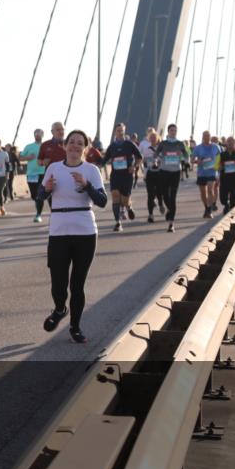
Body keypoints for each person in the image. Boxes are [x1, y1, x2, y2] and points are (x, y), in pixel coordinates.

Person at [37, 129, 108, 344]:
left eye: (80, 143)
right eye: (72, 142)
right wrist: (46, 190)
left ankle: (75, 327)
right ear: (65, 146)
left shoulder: (91, 170)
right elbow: (40, 196)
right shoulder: (54, 168)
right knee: (58, 283)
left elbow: (102, 201)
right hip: (59, 231)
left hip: (85, 231)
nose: (75, 146)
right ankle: (60, 308)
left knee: (77, 284)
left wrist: (87, 186)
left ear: (85, 148)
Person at [102, 122, 142, 231]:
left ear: (124, 131)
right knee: (115, 196)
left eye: (122, 130)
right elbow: (104, 160)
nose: (120, 132)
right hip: (115, 175)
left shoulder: (129, 144)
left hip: (127, 176)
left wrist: (134, 166)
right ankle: (118, 223)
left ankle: (129, 207)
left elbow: (139, 157)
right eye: (118, 130)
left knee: (124, 200)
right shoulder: (112, 146)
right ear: (115, 132)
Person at [154, 124, 187, 233]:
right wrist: (156, 160)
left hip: (175, 172)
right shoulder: (163, 143)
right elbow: (156, 154)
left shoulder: (180, 143)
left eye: (175, 130)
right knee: (164, 195)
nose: (173, 132)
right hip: (164, 171)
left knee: (173, 197)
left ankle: (171, 223)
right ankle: (169, 209)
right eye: (172, 130)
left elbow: (186, 154)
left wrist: (186, 160)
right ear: (168, 132)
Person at [192, 130, 221, 218]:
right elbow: (192, 160)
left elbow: (220, 158)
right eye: (204, 136)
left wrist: (219, 166)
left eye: (208, 136)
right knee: (203, 193)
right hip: (201, 173)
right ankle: (206, 208)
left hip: (212, 172)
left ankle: (209, 209)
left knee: (210, 189)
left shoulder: (216, 147)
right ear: (202, 137)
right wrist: (197, 161)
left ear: (210, 137)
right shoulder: (198, 148)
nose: (206, 137)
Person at [19, 128, 46, 222]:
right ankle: (39, 204)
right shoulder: (28, 146)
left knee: (39, 194)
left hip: (42, 173)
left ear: (42, 135)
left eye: (39, 134)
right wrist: (28, 157)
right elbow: (20, 158)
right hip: (31, 174)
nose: (37, 135)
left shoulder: (45, 146)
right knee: (34, 195)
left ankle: (38, 215)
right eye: (36, 134)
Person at [140, 130, 164, 222]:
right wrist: (147, 163)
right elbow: (144, 162)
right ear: (149, 139)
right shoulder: (147, 149)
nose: (153, 139)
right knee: (150, 195)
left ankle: (161, 204)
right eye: (151, 138)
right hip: (150, 173)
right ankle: (150, 215)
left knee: (159, 193)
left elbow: (165, 160)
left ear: (157, 138)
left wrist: (159, 162)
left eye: (154, 138)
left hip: (159, 173)